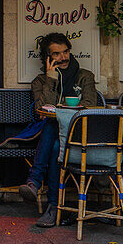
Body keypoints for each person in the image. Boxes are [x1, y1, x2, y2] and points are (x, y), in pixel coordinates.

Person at [20, 32, 99, 228]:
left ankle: (34, 181)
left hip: (80, 134)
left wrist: (61, 109)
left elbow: (90, 105)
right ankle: (54, 206)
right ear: (47, 58)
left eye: (65, 52)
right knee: (55, 144)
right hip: (54, 136)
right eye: (57, 54)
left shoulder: (85, 77)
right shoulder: (40, 81)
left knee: (53, 127)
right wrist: (51, 79)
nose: (63, 57)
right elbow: (43, 109)